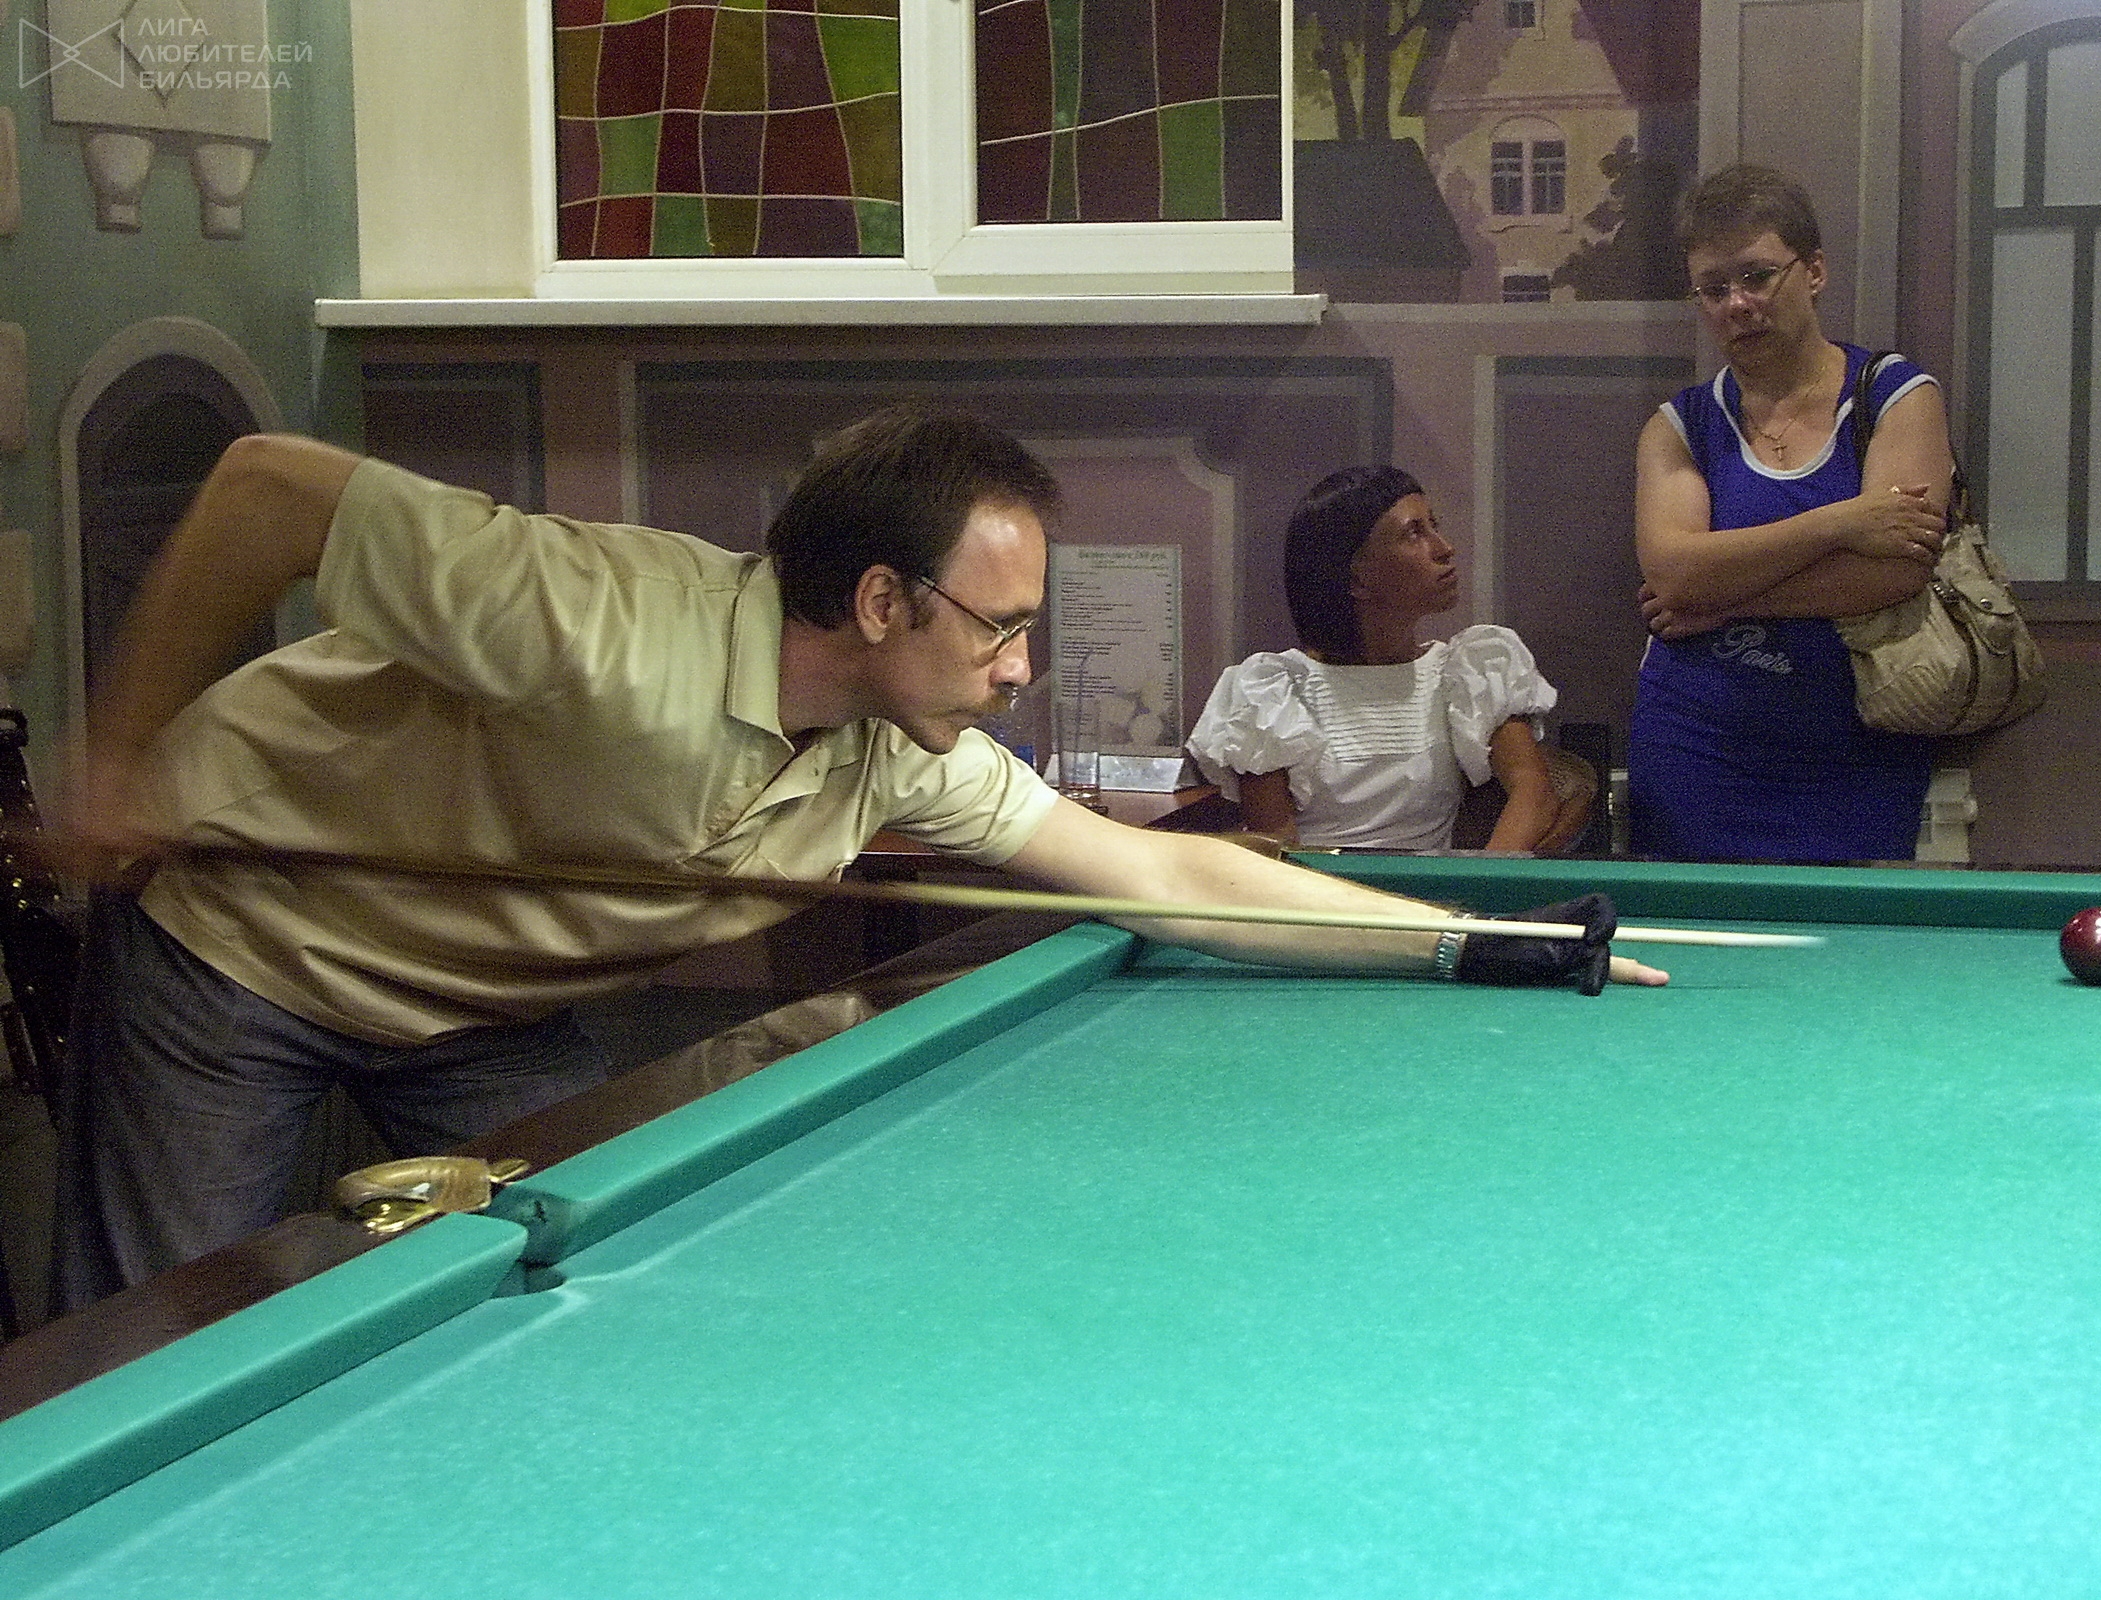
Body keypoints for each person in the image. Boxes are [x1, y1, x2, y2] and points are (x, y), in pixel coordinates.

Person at [53, 404, 1667, 1308]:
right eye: (1001, 628)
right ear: (884, 602)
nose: (1021, 670)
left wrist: (1469, 941)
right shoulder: (593, 617)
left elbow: (1171, 873)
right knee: (159, 1348)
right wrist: (117, 760)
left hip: (484, 1010)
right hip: (242, 951)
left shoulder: (906, 749)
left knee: (612, 1287)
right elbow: (266, 491)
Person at [1627, 164, 1953, 861]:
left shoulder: (1894, 395)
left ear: (1814, 271)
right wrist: (1839, 523)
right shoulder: (1679, 425)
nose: (1737, 304)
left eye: (1757, 277)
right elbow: (1674, 575)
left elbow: (1893, 573)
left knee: (1847, 929)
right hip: (1695, 745)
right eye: (1713, 289)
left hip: (1858, 746)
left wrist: (1722, 600)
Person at [1185, 466, 1585, 853]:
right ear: (1357, 577)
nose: (1444, 549)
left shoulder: (1469, 668)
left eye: (1434, 526)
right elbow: (1275, 848)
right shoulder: (1271, 691)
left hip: (1438, 889)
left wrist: (1478, 886)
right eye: (1414, 533)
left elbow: (1534, 794)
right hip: (1316, 889)